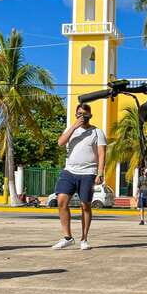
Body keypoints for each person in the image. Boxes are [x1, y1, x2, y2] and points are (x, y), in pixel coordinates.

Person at [52, 103, 107, 250]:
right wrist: (73, 127)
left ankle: (84, 239)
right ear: (76, 115)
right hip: (69, 171)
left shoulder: (97, 132)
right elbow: (60, 142)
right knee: (61, 201)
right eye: (79, 114)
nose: (82, 116)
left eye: (85, 114)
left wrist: (100, 172)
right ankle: (67, 237)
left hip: (88, 173)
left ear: (90, 115)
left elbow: (102, 154)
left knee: (85, 205)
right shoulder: (71, 129)